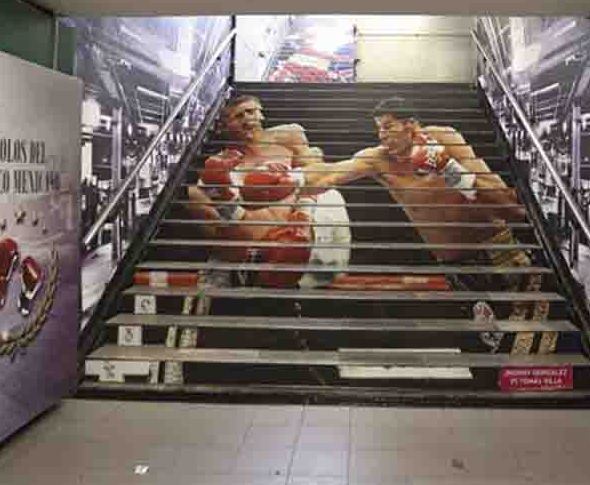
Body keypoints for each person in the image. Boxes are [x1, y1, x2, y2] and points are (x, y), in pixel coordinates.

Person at [301, 95, 554, 356]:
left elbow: (510, 207)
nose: (381, 135)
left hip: (500, 254)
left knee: (531, 350)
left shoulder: (447, 140)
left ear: (411, 124)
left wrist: (448, 168)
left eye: (388, 126)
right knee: (486, 349)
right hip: (456, 268)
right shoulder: (378, 159)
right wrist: (290, 177)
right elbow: (329, 173)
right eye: (378, 128)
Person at [184, 94, 351, 287]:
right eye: (239, 116)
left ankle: (289, 239)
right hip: (253, 239)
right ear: (223, 127)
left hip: (302, 230)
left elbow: (317, 175)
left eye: (253, 111)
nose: (249, 118)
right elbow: (216, 232)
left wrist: (302, 215)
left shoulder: (288, 137)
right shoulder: (218, 165)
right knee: (195, 194)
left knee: (327, 191)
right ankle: (247, 238)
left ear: (262, 115)